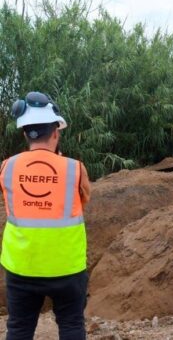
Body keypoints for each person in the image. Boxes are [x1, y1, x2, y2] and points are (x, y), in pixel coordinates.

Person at [1, 91, 91, 339]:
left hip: (22, 265)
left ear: (24, 133)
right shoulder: (75, 168)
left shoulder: (7, 167)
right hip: (67, 267)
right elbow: (81, 201)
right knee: (72, 325)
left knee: (18, 329)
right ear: (55, 132)